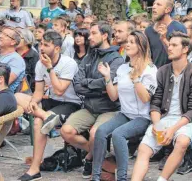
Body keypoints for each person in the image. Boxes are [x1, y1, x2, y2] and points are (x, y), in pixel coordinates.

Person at [131, 32, 192, 181]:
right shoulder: (163, 71)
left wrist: (172, 130)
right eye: (169, 44)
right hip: (163, 118)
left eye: (174, 45)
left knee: (182, 142)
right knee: (143, 149)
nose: (169, 48)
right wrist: (157, 124)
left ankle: (162, 179)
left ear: (185, 49)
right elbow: (155, 102)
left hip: (183, 121)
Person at [15, 30, 82, 181]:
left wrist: (50, 68)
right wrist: (33, 102)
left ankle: (34, 169)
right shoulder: (40, 64)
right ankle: (46, 116)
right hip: (52, 101)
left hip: (71, 103)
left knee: (38, 122)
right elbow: (38, 92)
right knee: (17, 96)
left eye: (46, 45)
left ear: (57, 48)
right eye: (41, 44)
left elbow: (59, 90)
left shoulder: (68, 63)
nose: (41, 48)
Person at [61, 21, 124, 179]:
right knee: (66, 131)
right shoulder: (90, 55)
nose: (89, 36)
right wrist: (97, 88)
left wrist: (89, 85)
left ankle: (90, 159)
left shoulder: (116, 59)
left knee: (96, 133)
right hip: (89, 108)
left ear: (104, 35)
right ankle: (95, 153)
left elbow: (108, 84)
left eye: (94, 33)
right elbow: (77, 83)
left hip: (109, 109)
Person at [91, 31, 158, 181]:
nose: (127, 44)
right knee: (101, 131)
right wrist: (107, 77)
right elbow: (114, 96)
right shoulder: (122, 68)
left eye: (133, 42)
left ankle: (122, 178)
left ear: (141, 46)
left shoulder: (150, 69)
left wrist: (136, 79)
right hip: (126, 114)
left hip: (143, 117)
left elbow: (146, 98)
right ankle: (95, 176)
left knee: (118, 134)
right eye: (127, 41)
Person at [145, 0, 187, 68]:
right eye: (154, 4)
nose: (154, 7)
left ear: (168, 10)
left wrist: (164, 39)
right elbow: (147, 56)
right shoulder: (148, 30)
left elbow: (181, 55)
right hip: (154, 75)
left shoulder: (178, 28)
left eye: (158, 5)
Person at [0, 26, 25, 93]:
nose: (0, 36)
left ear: (13, 42)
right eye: (0, 33)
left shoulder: (16, 60)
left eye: (5, 35)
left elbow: (1, 84)